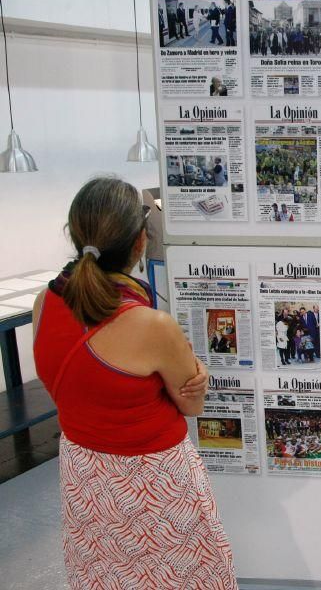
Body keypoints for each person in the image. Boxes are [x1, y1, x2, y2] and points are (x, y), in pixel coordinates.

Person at [32, 177, 236, 589]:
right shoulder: (150, 325)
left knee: (106, 573)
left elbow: (58, 381)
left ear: (76, 235)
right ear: (140, 243)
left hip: (85, 474)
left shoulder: (46, 300)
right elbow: (192, 404)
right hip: (152, 478)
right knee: (180, 575)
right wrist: (198, 376)